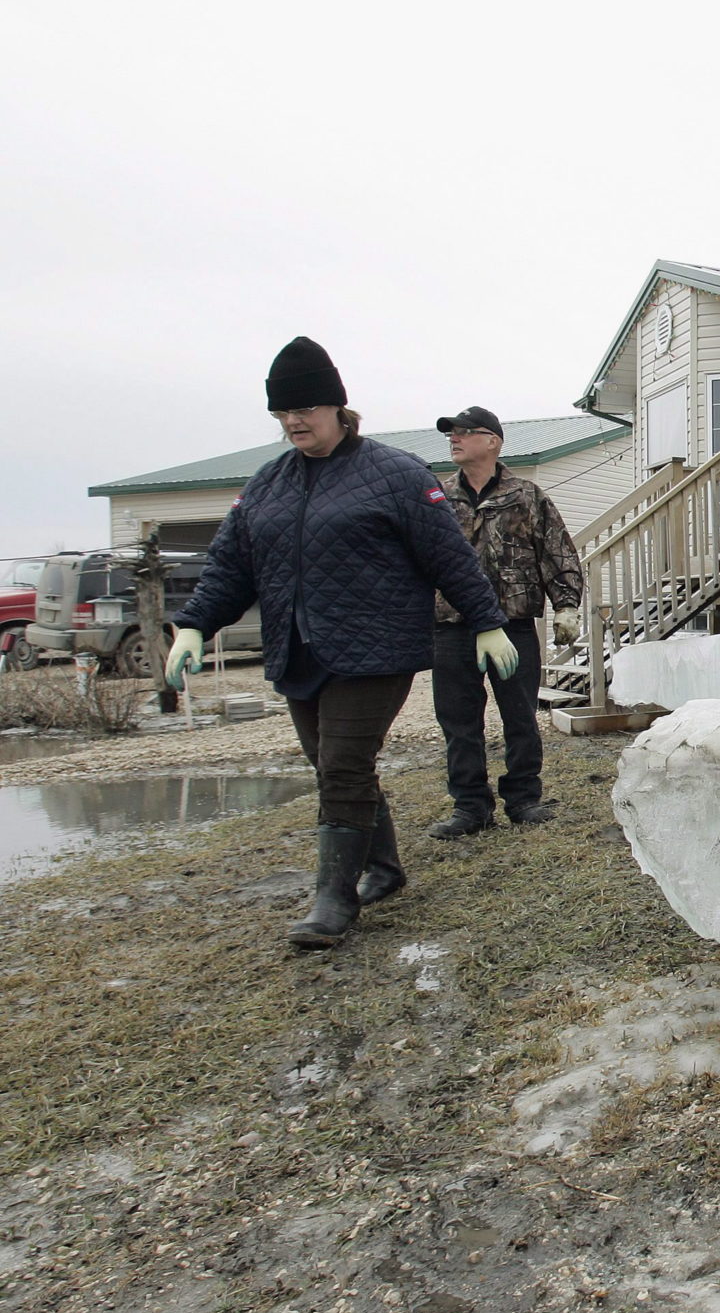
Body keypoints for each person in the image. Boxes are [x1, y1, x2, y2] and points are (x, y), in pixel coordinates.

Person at [164, 337, 520, 950]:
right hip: (299, 649)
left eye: (304, 409)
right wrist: (196, 623)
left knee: (343, 766)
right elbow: (231, 565)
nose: (294, 421)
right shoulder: (268, 485)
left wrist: (486, 620)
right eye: (283, 413)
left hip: (375, 649)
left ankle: (333, 898)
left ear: (337, 407)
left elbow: (449, 557)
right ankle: (382, 868)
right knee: (331, 764)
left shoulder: (395, 475)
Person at [426, 406, 583, 838]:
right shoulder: (438, 499)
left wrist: (566, 605)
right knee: (458, 722)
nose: (454, 439)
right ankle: (470, 807)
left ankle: (524, 799)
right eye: (451, 434)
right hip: (452, 626)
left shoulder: (528, 496)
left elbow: (558, 553)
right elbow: (421, 560)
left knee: (519, 716)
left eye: (464, 432)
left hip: (512, 625)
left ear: (492, 441)